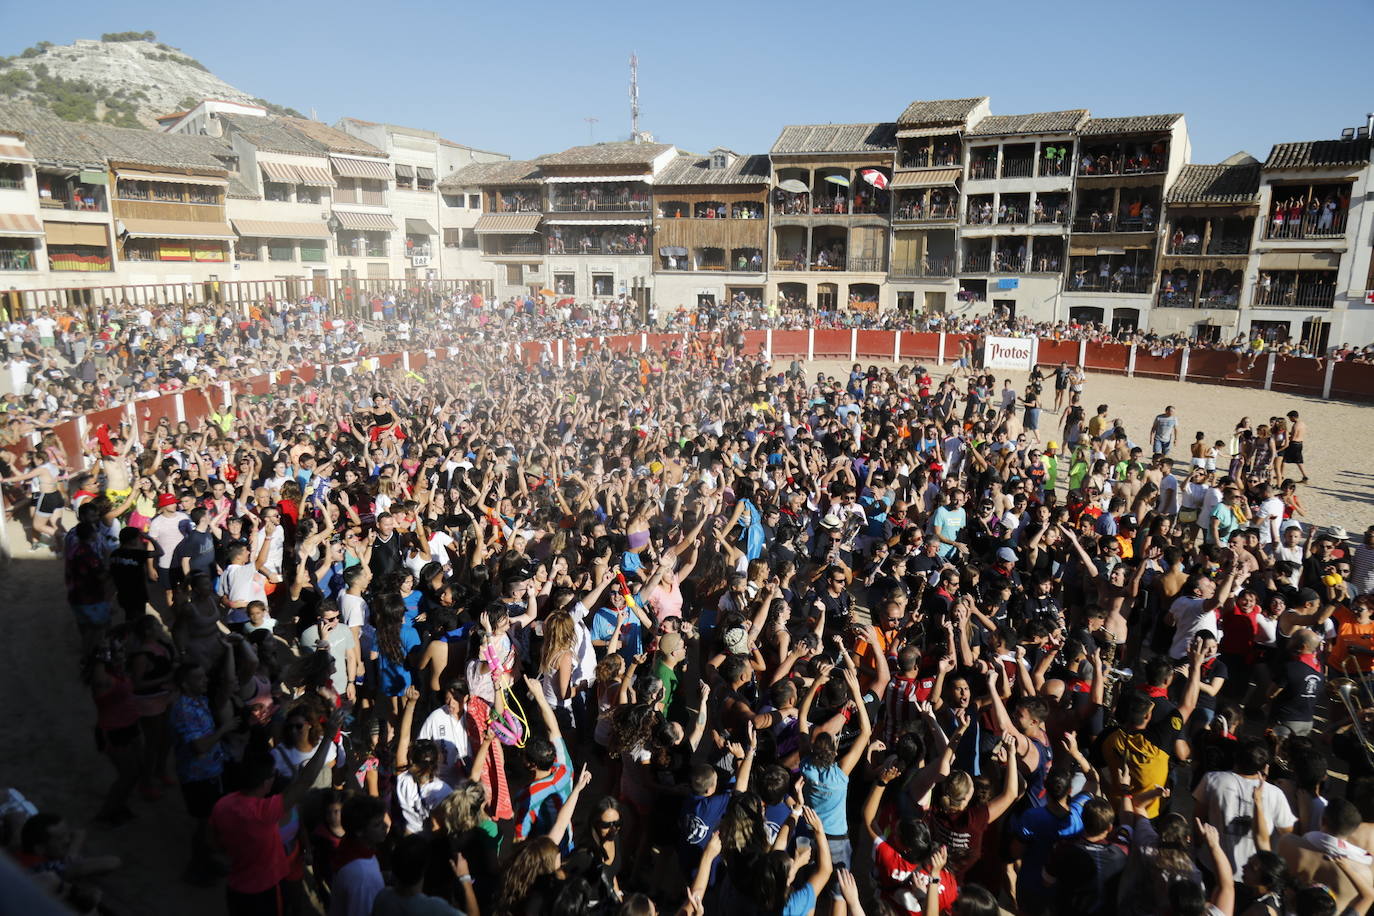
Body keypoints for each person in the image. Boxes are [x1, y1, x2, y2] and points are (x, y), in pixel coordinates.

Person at [210, 705, 345, 916]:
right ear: (266, 782)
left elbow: (218, 845)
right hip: (264, 891)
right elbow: (304, 781)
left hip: (235, 887)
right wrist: (328, 737)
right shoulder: (265, 812)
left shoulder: (222, 805)